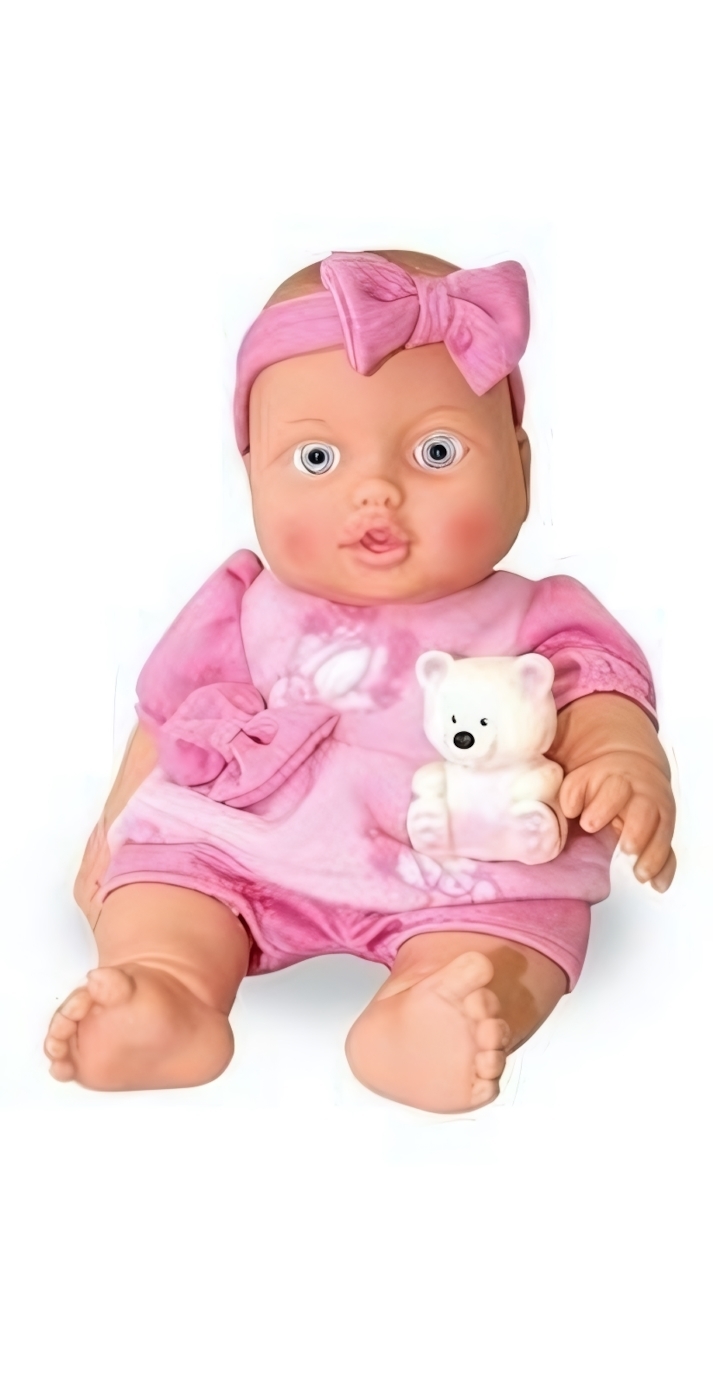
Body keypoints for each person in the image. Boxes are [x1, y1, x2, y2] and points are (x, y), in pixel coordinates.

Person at [44, 249, 676, 1112]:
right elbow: (169, 718)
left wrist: (623, 764)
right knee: (165, 885)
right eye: (316, 459)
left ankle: (431, 1014)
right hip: (245, 841)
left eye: (436, 451)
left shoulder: (538, 617)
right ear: (251, 475)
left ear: (521, 468)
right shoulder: (242, 602)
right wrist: (116, 825)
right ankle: (164, 990)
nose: (375, 491)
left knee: (513, 938)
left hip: (461, 864)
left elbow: (603, 699)